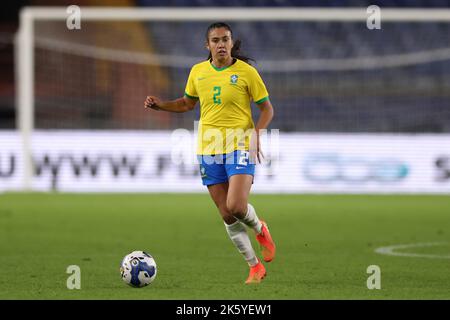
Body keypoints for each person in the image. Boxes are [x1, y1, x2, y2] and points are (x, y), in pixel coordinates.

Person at [144, 22, 276, 284]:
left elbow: (267, 109)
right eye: (215, 40)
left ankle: (261, 229)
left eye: (225, 39)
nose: (221, 44)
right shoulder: (198, 72)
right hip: (208, 149)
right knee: (227, 215)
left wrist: (256, 133)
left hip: (238, 145)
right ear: (208, 45)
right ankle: (254, 267)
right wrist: (161, 106)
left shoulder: (247, 73)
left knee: (236, 206)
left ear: (231, 42)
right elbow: (187, 103)